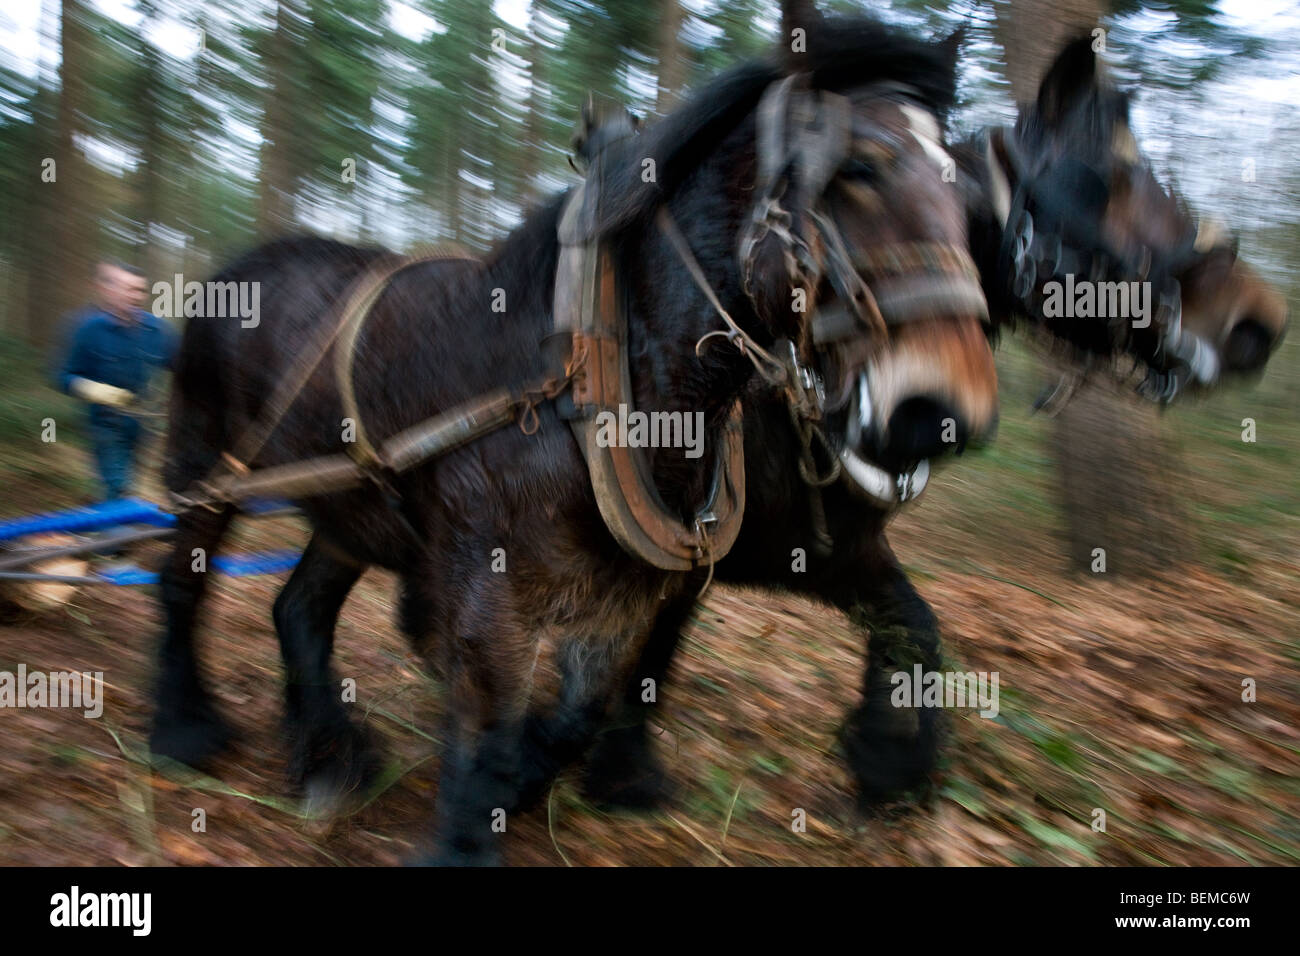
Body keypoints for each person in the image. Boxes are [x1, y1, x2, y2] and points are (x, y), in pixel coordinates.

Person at [54, 260, 178, 501]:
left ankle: (116, 518)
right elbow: (62, 376)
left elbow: (182, 365)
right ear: (111, 291)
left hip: (144, 425)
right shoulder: (88, 329)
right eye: (129, 289)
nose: (136, 296)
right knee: (116, 483)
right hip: (105, 423)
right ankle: (115, 534)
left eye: (140, 290)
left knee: (129, 480)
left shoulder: (158, 330)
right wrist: (98, 391)